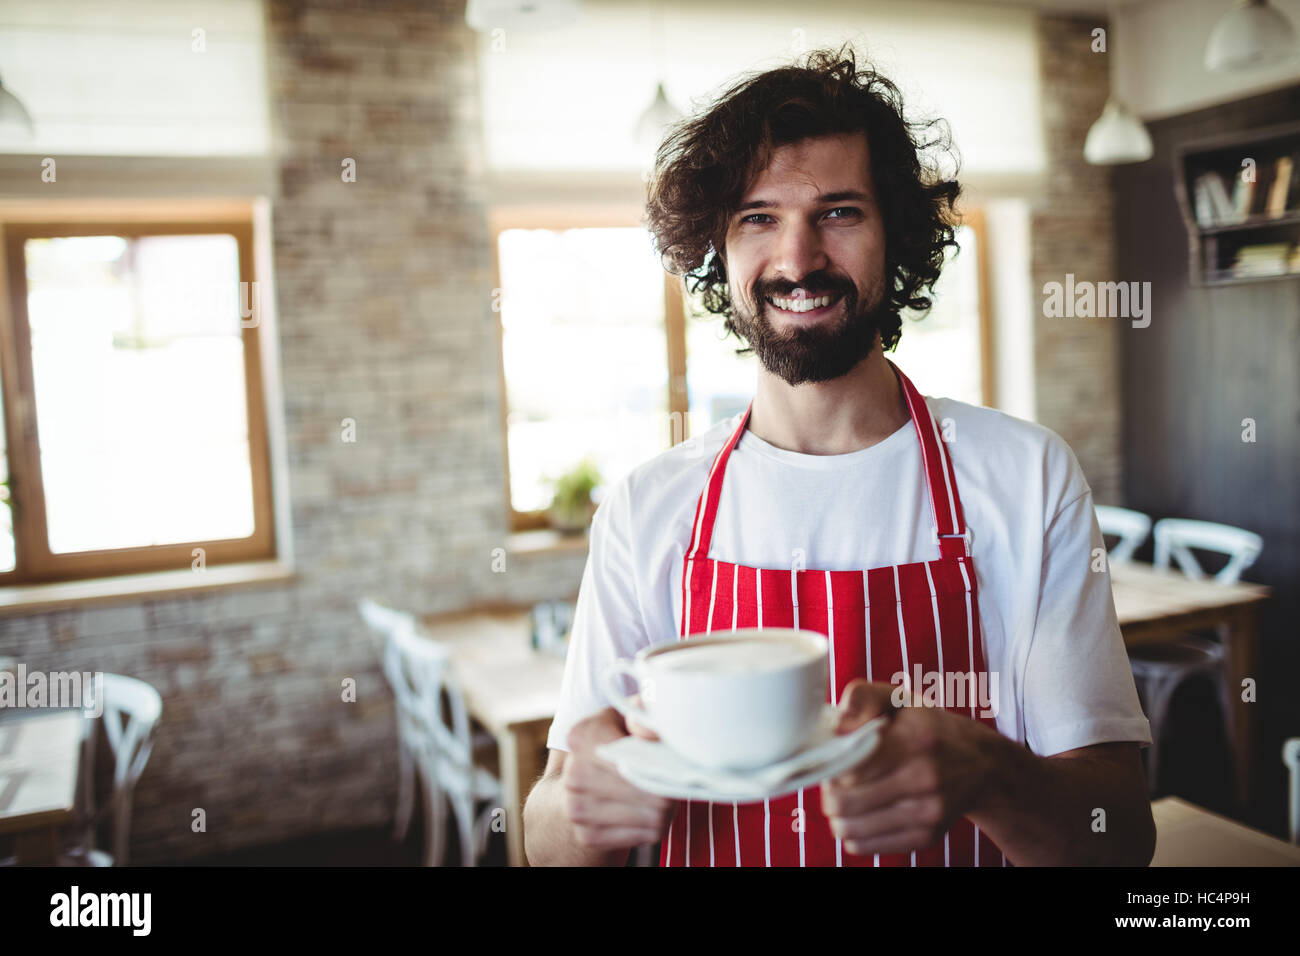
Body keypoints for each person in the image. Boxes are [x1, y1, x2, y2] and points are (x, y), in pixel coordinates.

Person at [523, 44, 1154, 867]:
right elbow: (545, 835)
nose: (797, 260)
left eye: (839, 212)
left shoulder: (1026, 478)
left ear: (897, 235)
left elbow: (1119, 837)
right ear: (719, 247)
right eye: (758, 218)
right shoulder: (648, 509)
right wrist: (585, 810)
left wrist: (991, 776)